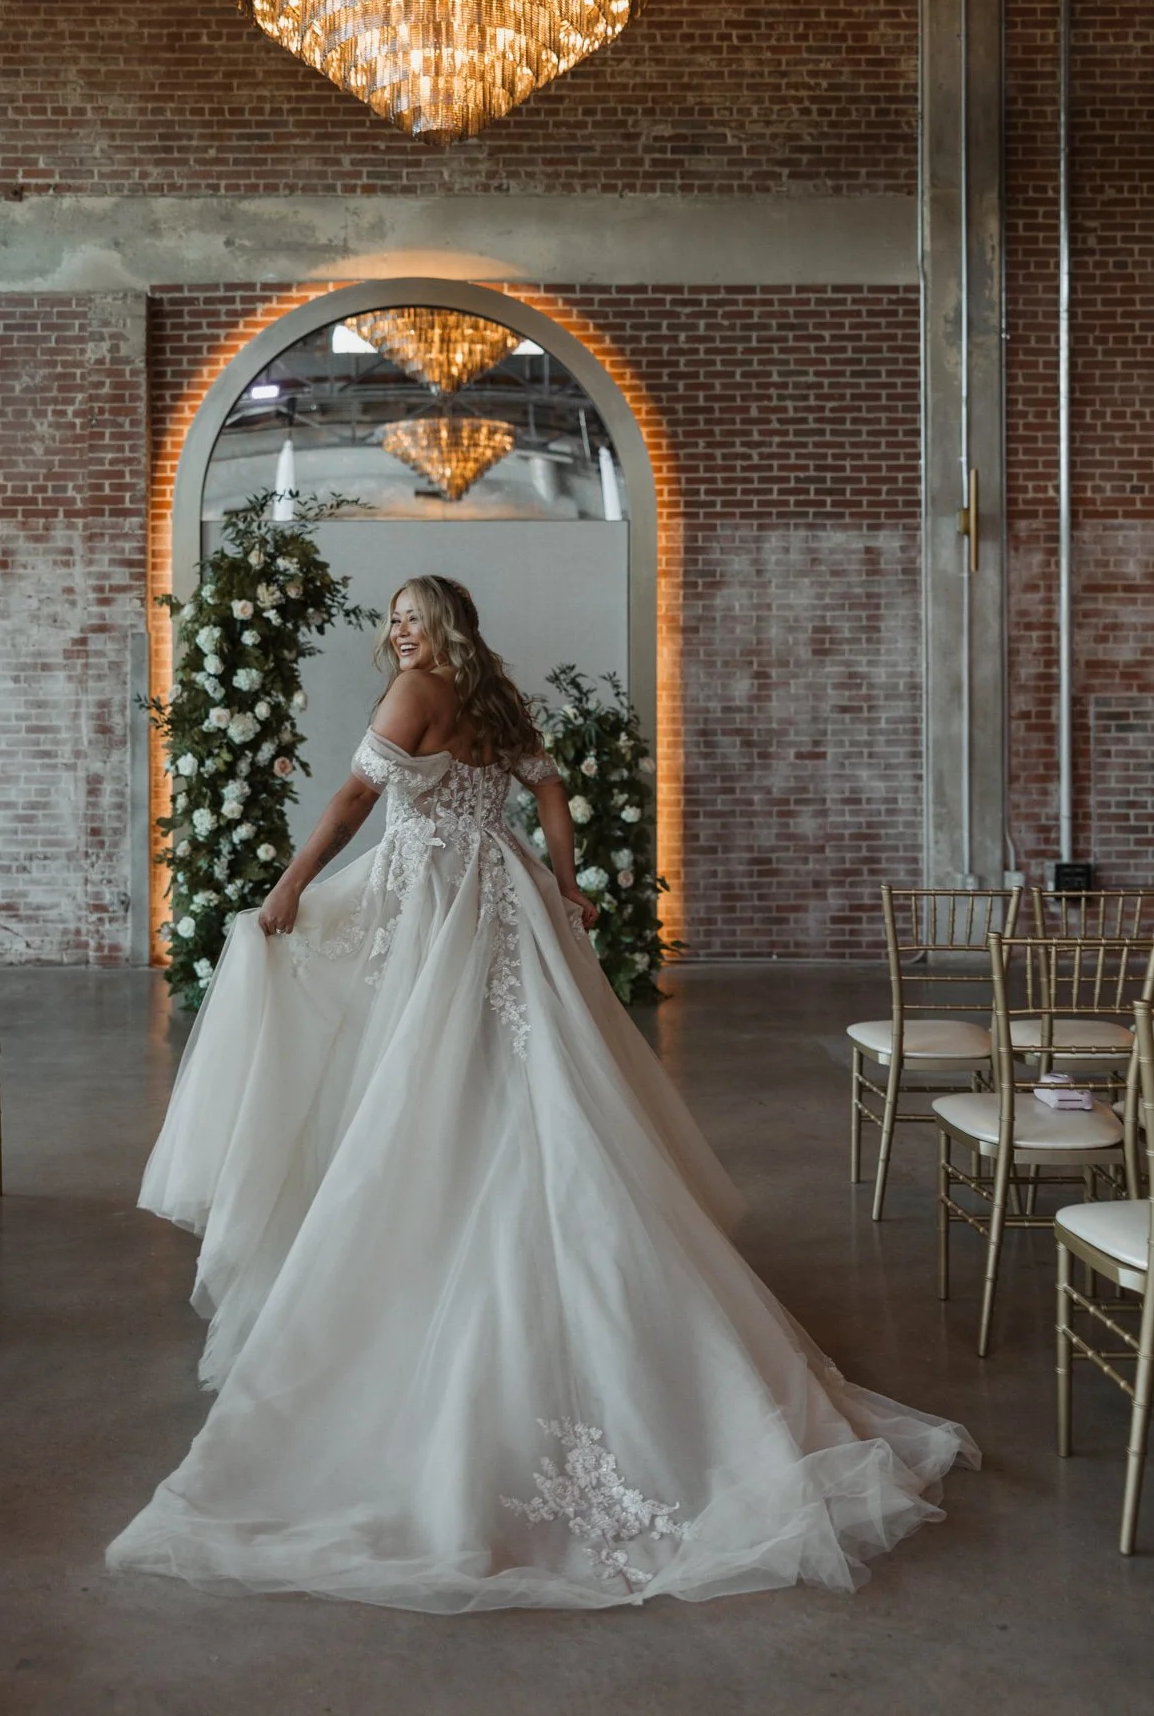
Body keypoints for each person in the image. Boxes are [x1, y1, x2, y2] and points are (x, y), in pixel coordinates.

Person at [108, 575, 976, 1610]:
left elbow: (352, 802)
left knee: (429, 1069)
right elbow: (553, 790)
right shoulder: (497, 696)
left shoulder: (412, 693)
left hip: (434, 899)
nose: (394, 630)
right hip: (503, 890)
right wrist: (563, 881)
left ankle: (429, 1235)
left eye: (406, 617)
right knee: (511, 1071)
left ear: (437, 626)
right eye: (392, 617)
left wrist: (291, 885)